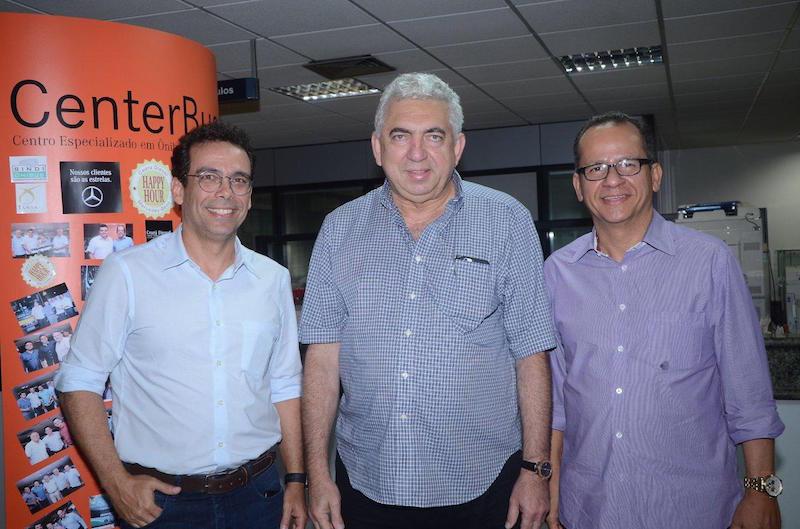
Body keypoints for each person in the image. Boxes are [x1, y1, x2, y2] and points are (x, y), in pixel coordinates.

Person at [300, 72, 556, 529]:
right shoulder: (339, 230)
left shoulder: (506, 221)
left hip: (484, 484)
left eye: (433, 136)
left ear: (457, 147)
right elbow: (322, 361)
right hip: (366, 481)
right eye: (400, 136)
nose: (416, 153)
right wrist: (317, 475)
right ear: (377, 147)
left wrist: (536, 470)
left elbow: (531, 353)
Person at [56, 120, 306, 529]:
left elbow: (284, 384)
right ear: (177, 189)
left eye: (239, 180)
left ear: (249, 195)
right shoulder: (128, 273)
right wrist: (115, 482)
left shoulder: (272, 279)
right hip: (161, 504)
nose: (225, 192)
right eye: (209, 177)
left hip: (259, 496)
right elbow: (79, 380)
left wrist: (296, 479)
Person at [544, 111, 785, 529]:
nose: (612, 180)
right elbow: (556, 404)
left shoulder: (709, 262)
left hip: (692, 508)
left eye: (627, 164)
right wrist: (550, 490)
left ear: (654, 175)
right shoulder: (556, 273)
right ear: (579, 186)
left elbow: (748, 393)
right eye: (596, 168)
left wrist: (760, 491)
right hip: (589, 508)